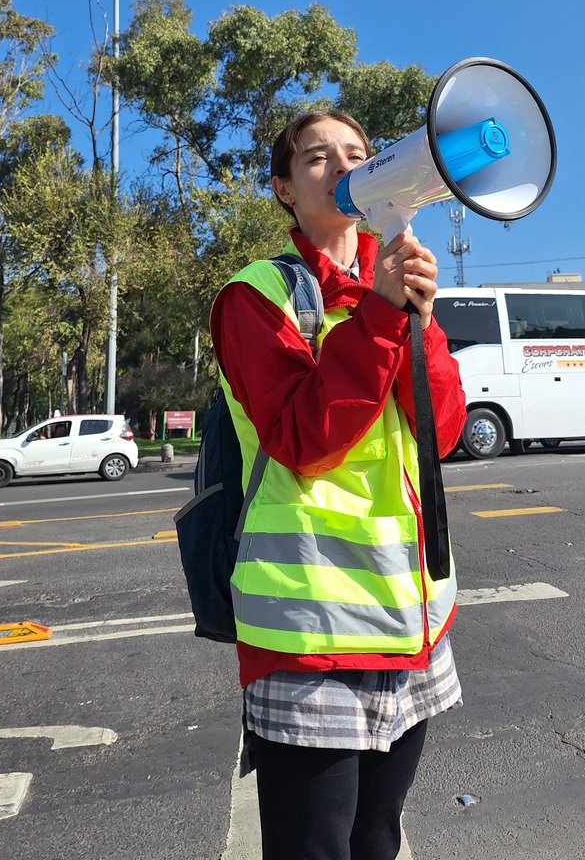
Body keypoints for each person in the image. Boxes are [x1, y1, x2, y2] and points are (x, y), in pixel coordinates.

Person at [210, 110, 467, 860]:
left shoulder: (391, 287)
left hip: (412, 618)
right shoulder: (256, 296)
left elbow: (441, 432)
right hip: (308, 629)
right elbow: (304, 441)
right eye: (316, 158)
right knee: (314, 848)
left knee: (377, 839)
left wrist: (412, 318)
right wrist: (383, 313)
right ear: (284, 189)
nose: (343, 166)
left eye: (358, 153)